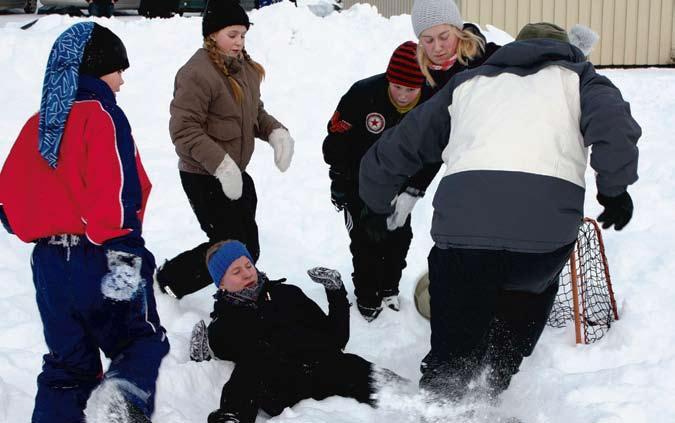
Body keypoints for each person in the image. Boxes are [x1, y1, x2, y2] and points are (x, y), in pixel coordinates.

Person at [358, 22, 640, 401]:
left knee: (457, 327)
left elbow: (400, 145)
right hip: (541, 237)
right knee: (526, 299)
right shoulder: (582, 77)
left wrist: (376, 205)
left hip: (463, 234)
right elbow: (613, 125)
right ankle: (492, 381)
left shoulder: (468, 83)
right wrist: (615, 189)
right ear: (568, 49)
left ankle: (444, 398)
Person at [0, 22, 169, 423]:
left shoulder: (39, 122)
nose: (122, 82)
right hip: (102, 255)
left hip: (49, 267)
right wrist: (126, 250)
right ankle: (122, 397)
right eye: (118, 70)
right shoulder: (102, 115)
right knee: (140, 340)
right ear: (95, 69)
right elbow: (117, 184)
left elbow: (8, 202)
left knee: (67, 366)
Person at [155, 0, 295, 299]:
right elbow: (183, 130)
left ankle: (233, 282)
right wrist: (222, 166)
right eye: (232, 35)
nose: (239, 42)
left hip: (235, 173)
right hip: (203, 174)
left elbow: (254, 113)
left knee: (247, 246)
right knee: (228, 246)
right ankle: (171, 280)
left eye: (243, 35)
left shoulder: (245, 69)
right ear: (212, 35)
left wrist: (276, 133)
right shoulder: (196, 73)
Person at [188, 241, 404, 423]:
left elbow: (336, 338)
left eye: (248, 265)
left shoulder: (287, 294)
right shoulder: (224, 323)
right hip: (279, 386)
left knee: (352, 365)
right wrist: (201, 357)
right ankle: (232, 417)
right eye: (236, 271)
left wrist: (335, 292)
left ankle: (413, 398)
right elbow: (221, 358)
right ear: (221, 284)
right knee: (252, 364)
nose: (247, 273)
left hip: (321, 368)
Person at [322, 41, 439, 321]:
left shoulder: (431, 105)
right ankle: (367, 296)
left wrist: (413, 189)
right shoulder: (363, 94)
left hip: (399, 186)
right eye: (396, 86)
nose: (401, 94)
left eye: (410, 89)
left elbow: (434, 153)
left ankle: (389, 288)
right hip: (357, 183)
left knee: (398, 238)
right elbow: (336, 141)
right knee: (366, 241)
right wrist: (340, 180)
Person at [411, 0, 500, 99]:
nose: (437, 48)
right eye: (429, 40)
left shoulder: (487, 58)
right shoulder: (414, 75)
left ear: (458, 31)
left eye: (444, 37)